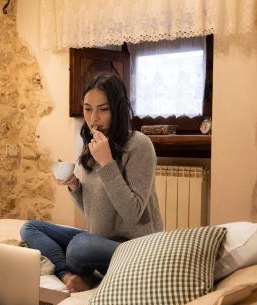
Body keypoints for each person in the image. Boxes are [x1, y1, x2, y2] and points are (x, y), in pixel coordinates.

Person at [20, 71, 163, 292]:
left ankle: (86, 274)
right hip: (99, 241)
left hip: (136, 248)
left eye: (103, 110)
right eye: (88, 109)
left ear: (117, 109)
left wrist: (107, 163)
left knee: (79, 247)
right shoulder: (90, 147)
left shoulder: (139, 145)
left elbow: (133, 213)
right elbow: (93, 211)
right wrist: (74, 185)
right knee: (31, 228)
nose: (93, 119)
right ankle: (68, 274)